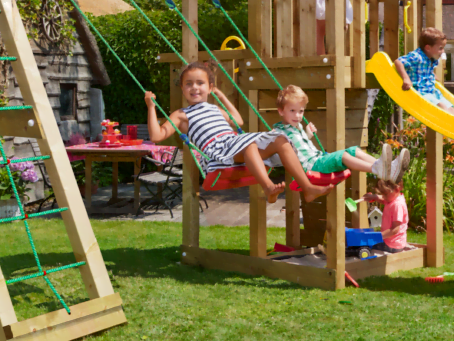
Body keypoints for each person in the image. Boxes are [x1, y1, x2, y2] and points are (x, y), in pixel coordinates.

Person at [144, 62, 333, 204]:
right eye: (188, 84)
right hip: (218, 151)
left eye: (200, 83)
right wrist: (151, 107)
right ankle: (268, 188)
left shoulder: (215, 109)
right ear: (183, 89)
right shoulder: (181, 114)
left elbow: (237, 121)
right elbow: (156, 136)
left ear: (209, 88)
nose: (194, 87)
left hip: (234, 143)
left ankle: (308, 188)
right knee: (250, 144)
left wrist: (221, 96)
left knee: (281, 139)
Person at [272, 84, 405, 182]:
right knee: (342, 156)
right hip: (311, 167)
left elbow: (297, 146)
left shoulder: (298, 127)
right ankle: (377, 169)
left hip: (318, 159)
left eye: (301, 111)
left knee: (354, 150)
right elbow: (277, 150)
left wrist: (307, 135)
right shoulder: (278, 132)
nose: (297, 115)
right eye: (292, 111)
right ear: (281, 111)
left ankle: (388, 168)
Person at [363, 179, 410, 253]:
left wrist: (377, 236)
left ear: (397, 189)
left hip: (392, 245)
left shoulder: (397, 205)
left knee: (365, 245)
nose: (383, 197)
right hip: (391, 241)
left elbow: (394, 230)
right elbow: (383, 199)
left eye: (385, 194)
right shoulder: (392, 199)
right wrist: (374, 197)